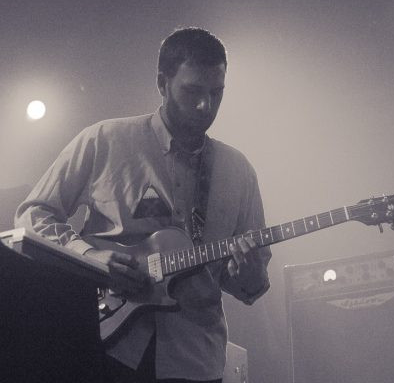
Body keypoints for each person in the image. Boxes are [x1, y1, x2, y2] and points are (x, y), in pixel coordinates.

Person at [15, 27, 271, 383]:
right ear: (162, 83)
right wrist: (89, 257)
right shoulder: (104, 139)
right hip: (103, 344)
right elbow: (33, 216)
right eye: (193, 91)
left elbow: (250, 287)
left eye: (217, 93)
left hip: (194, 358)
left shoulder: (238, 170)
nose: (205, 106)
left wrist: (248, 274)